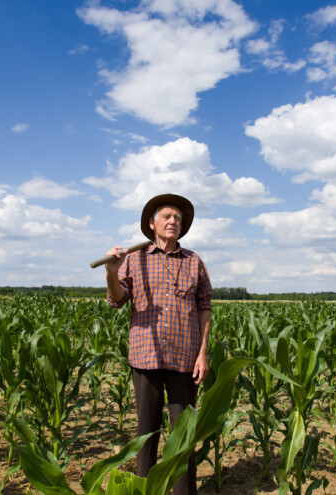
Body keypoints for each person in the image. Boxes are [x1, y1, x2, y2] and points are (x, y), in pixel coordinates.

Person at [104, 193, 212, 495]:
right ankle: (144, 490)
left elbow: (205, 306)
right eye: (166, 216)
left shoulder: (194, 261)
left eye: (177, 218)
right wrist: (112, 272)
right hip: (145, 358)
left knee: (183, 436)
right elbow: (117, 299)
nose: (173, 222)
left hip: (184, 359)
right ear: (152, 224)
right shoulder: (135, 260)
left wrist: (202, 354)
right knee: (146, 434)